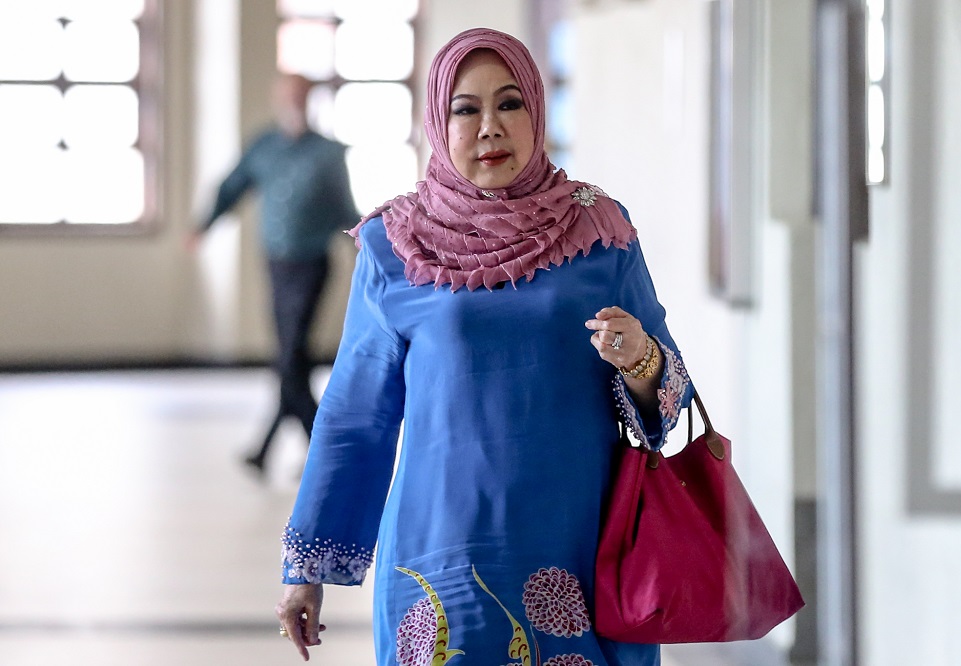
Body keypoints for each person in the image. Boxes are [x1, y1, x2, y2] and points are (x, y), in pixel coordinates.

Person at [274, 28, 694, 666]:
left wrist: (639, 358)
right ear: (438, 124)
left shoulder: (599, 232)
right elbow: (355, 415)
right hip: (439, 552)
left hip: (579, 549)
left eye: (510, 103)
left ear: (538, 110)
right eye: (465, 109)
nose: (490, 127)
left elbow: (671, 395)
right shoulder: (395, 245)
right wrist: (305, 567)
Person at [188, 73, 359, 475]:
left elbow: (344, 209)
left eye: (300, 96)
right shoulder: (264, 146)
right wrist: (204, 225)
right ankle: (275, 450)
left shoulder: (327, 153)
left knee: (290, 356)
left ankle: (321, 451)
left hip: (311, 265)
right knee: (290, 360)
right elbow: (232, 186)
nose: (293, 102)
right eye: (287, 95)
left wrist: (371, 244)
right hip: (276, 265)